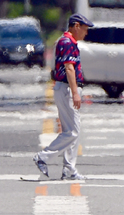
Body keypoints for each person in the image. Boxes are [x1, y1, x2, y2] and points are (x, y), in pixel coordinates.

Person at [33, 13, 93, 180]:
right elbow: (69, 69)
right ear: (76, 26)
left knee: (71, 131)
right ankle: (43, 157)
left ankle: (69, 170)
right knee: (73, 132)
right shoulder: (67, 42)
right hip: (67, 89)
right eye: (84, 29)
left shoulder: (66, 41)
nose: (86, 33)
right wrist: (75, 93)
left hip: (64, 88)